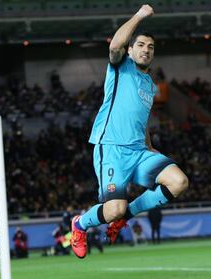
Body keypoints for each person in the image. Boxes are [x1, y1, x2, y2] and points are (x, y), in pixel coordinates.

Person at [70, 4, 189, 259]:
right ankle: (79, 225)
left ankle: (125, 217)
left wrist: (149, 144)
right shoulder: (120, 66)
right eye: (141, 45)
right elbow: (114, 46)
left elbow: (141, 117)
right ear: (131, 49)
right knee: (113, 209)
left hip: (139, 150)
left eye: (151, 47)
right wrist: (139, 16)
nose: (146, 50)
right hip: (112, 147)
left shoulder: (149, 83)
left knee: (178, 182)